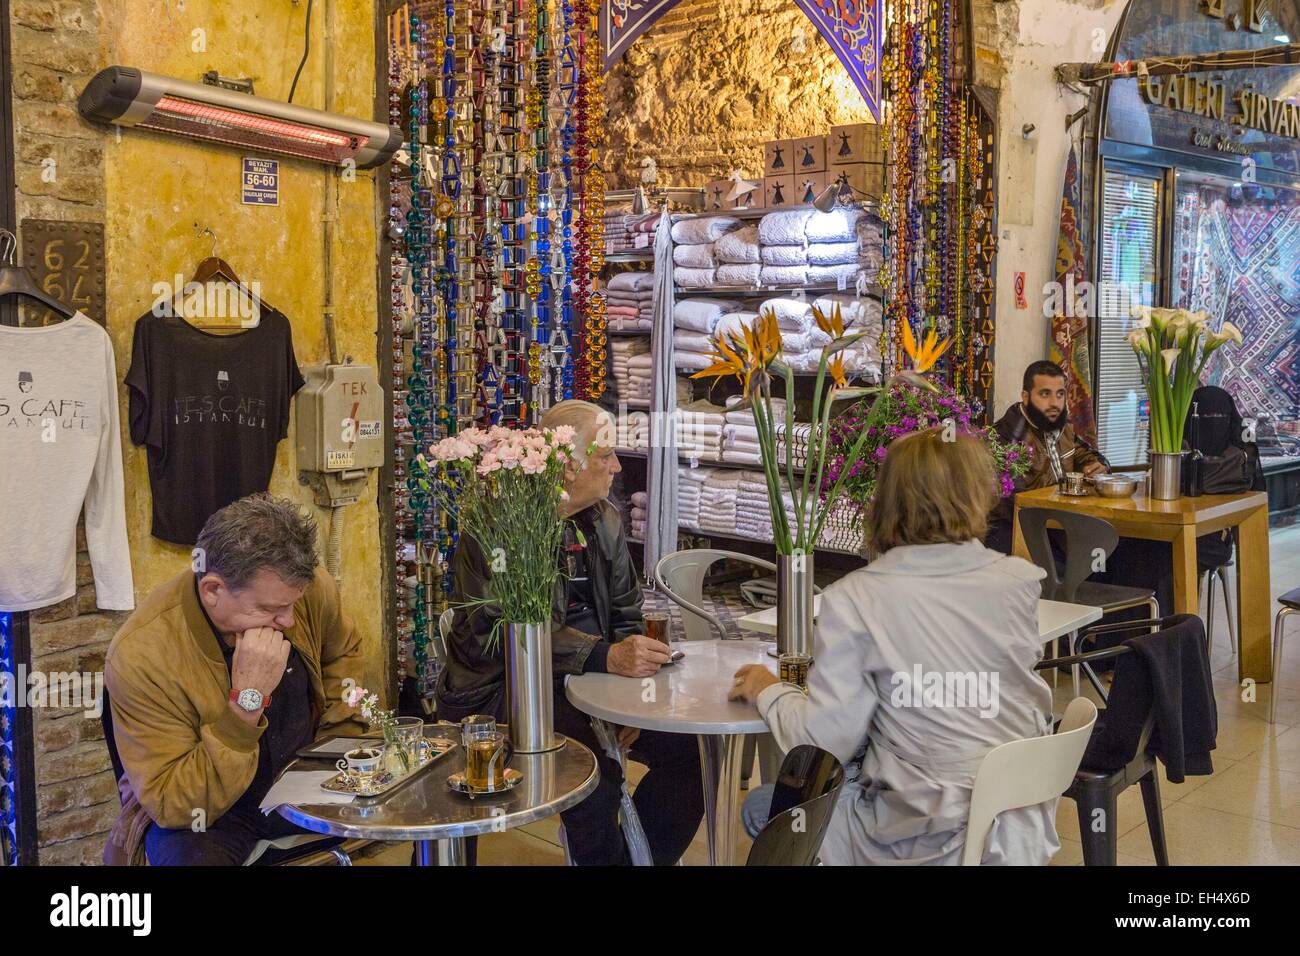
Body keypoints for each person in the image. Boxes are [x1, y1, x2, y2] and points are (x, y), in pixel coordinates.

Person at [729, 429, 1061, 865]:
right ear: (977, 492)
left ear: (887, 499)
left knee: (762, 806)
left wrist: (768, 689)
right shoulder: (1018, 580)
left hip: (923, 838)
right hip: (1017, 824)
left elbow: (824, 742)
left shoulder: (857, 597)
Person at [436, 400, 703, 866]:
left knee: (689, 751)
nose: (618, 468)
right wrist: (605, 659)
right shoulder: (501, 526)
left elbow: (626, 612)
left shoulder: (604, 520)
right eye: (606, 456)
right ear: (565, 465)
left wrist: (634, 694)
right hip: (506, 690)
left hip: (592, 680)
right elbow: (505, 628)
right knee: (592, 772)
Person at [104, 494, 365, 865]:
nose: (289, 620)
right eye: (271, 610)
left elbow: (343, 651)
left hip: (307, 778)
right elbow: (173, 802)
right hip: (212, 814)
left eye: (292, 605)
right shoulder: (142, 654)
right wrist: (248, 699)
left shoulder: (296, 588)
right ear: (213, 590)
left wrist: (337, 750)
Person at [985, 360, 1108, 554]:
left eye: (1060, 394)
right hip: (1022, 533)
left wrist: (1098, 465)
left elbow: (1088, 455)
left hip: (1061, 525)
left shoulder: (1061, 428)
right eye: (1045, 394)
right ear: (1025, 397)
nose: (1054, 403)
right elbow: (1014, 503)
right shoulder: (1005, 437)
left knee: (1127, 548)